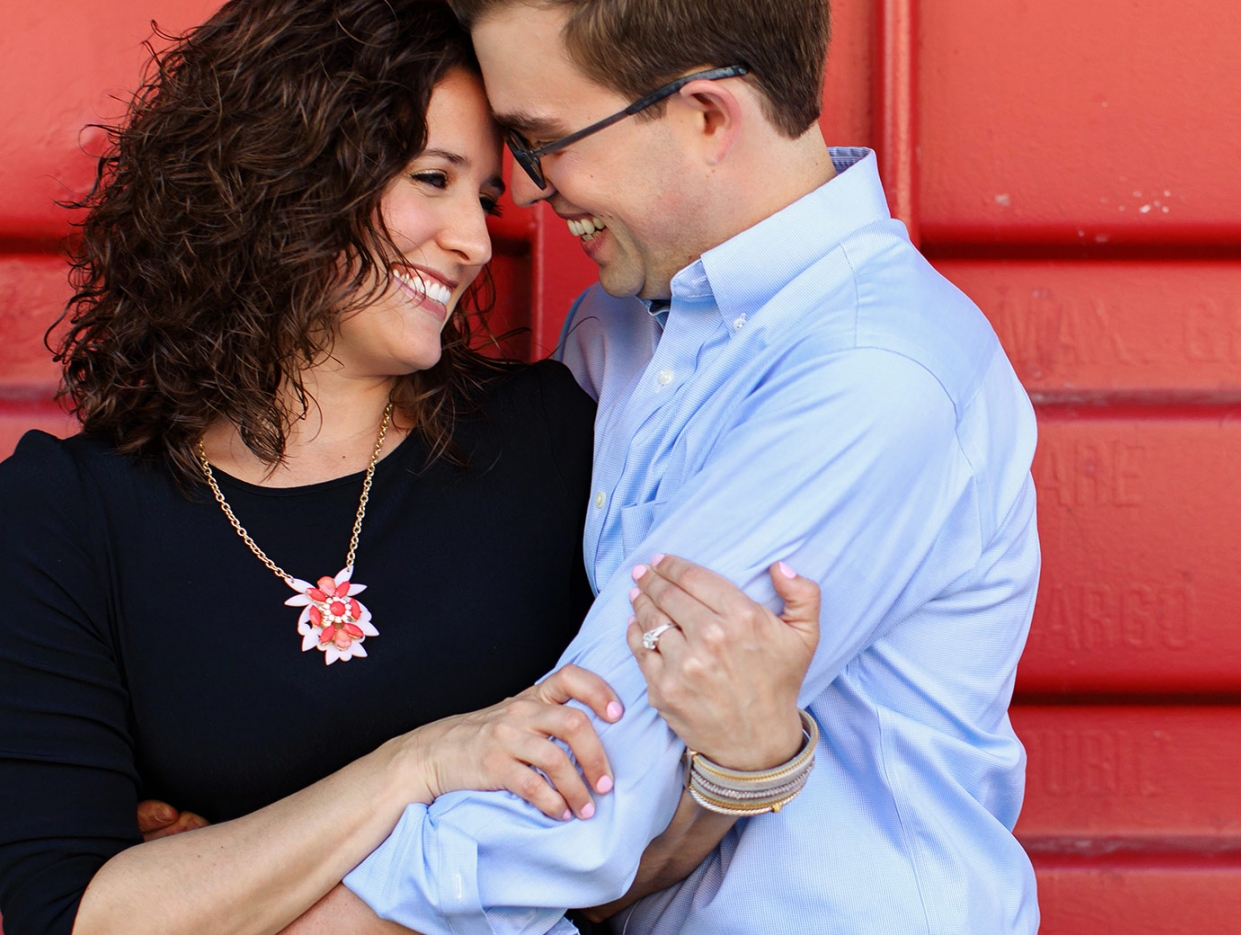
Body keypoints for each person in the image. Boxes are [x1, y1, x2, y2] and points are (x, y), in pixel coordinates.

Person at [0, 2, 819, 934]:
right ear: (285, 170)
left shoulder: (551, 442)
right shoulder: (64, 516)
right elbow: (73, 915)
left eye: (485, 199)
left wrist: (747, 762)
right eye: (433, 178)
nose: (474, 241)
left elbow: (610, 864)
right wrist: (416, 766)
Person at [341, 0, 1043, 932]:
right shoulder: (622, 325)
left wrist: (234, 892)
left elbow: (571, 783)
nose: (532, 191)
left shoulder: (875, 374)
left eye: (544, 141)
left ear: (707, 116)